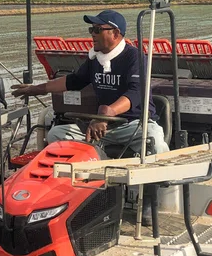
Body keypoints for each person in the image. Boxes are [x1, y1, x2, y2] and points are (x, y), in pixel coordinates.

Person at [11, 9, 169, 157]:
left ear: (115, 33)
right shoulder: (95, 59)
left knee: (154, 138)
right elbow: (75, 81)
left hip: (133, 125)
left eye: (98, 30)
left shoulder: (134, 57)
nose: (93, 34)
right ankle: (92, 174)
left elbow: (136, 92)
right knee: (56, 134)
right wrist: (37, 89)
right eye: (91, 30)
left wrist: (107, 113)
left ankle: (164, 184)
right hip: (102, 128)